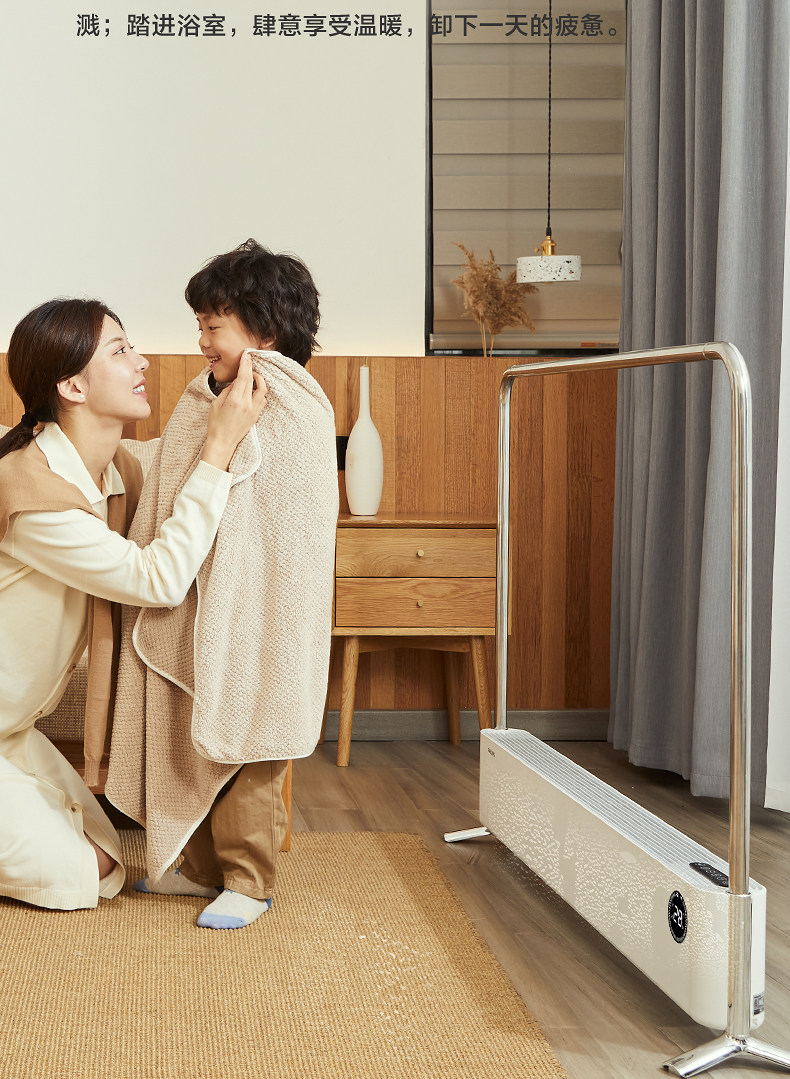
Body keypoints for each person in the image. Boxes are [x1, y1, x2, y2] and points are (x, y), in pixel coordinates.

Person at [0, 297, 267, 911]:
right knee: (76, 875)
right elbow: (157, 578)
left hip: (12, 732)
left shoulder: (113, 471)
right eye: (120, 351)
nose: (142, 362)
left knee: (109, 859)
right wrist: (218, 448)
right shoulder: (32, 492)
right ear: (73, 386)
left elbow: (174, 481)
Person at [107, 240, 338, 929]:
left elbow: (283, 516)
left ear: (263, 330)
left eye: (213, 325)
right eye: (200, 324)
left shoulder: (293, 404)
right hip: (206, 593)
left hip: (262, 604)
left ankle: (248, 877)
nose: (201, 339)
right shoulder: (208, 396)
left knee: (248, 737)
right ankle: (202, 866)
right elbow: (184, 477)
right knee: (197, 730)